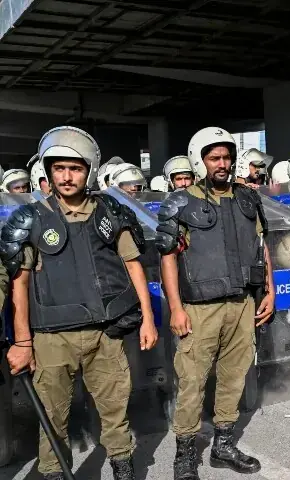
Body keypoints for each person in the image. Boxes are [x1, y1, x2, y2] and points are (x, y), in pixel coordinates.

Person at [2, 126, 157, 480]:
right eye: (59, 168)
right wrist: (23, 342)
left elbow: (133, 265)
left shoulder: (110, 212)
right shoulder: (31, 219)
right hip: (51, 340)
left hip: (105, 335)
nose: (67, 176)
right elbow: (20, 284)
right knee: (52, 418)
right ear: (49, 171)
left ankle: (123, 468)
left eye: (75, 168)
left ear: (88, 170)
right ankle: (56, 472)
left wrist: (147, 319)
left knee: (116, 412)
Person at [156, 126, 275, 478]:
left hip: (241, 304)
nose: (222, 164)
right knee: (191, 380)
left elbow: (261, 245)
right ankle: (185, 454)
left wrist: (269, 289)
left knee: (234, 376)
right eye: (214, 158)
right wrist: (175, 308)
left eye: (226, 157)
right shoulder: (181, 201)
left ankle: (223, 444)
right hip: (199, 308)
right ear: (200, 160)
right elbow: (167, 258)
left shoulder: (247, 198)